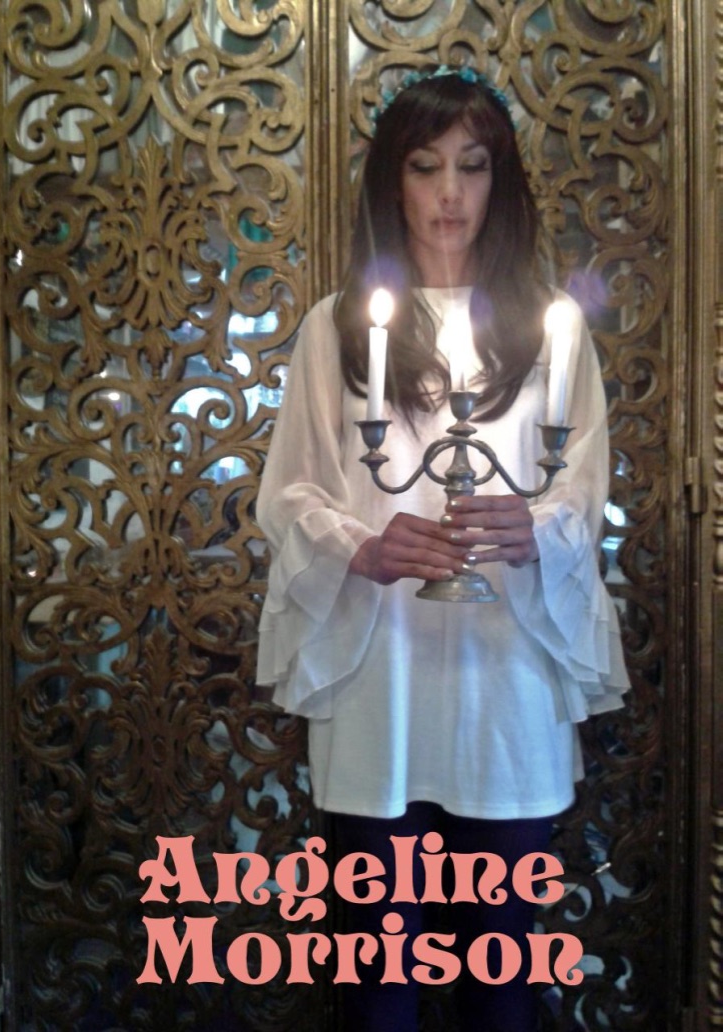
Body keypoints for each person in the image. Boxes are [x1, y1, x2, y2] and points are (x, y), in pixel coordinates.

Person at [255, 65, 630, 1032]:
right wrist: (360, 546)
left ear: (501, 180)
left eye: (473, 166)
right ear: (394, 182)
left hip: (505, 683)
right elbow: (288, 491)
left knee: (500, 974)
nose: (451, 193)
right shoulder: (335, 330)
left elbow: (583, 487)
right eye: (426, 167)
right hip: (380, 679)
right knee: (380, 979)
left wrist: (537, 528)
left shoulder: (548, 331)